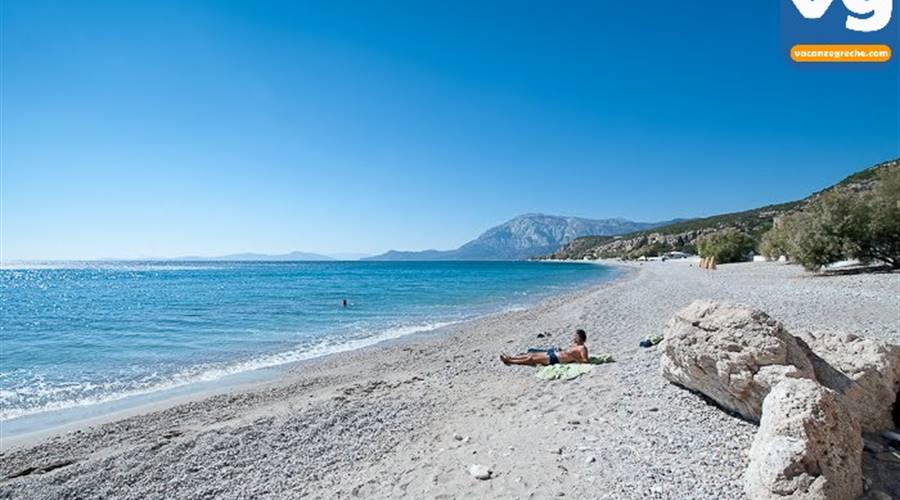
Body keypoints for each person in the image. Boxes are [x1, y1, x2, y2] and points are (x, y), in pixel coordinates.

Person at [500, 329, 589, 366]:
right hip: (555, 353)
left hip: (556, 359)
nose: (574, 338)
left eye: (576, 337)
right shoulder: (575, 345)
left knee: (531, 359)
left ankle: (509, 361)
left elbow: (586, 361)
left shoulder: (582, 348)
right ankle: (510, 357)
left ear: (580, 338)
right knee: (531, 353)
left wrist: (575, 358)